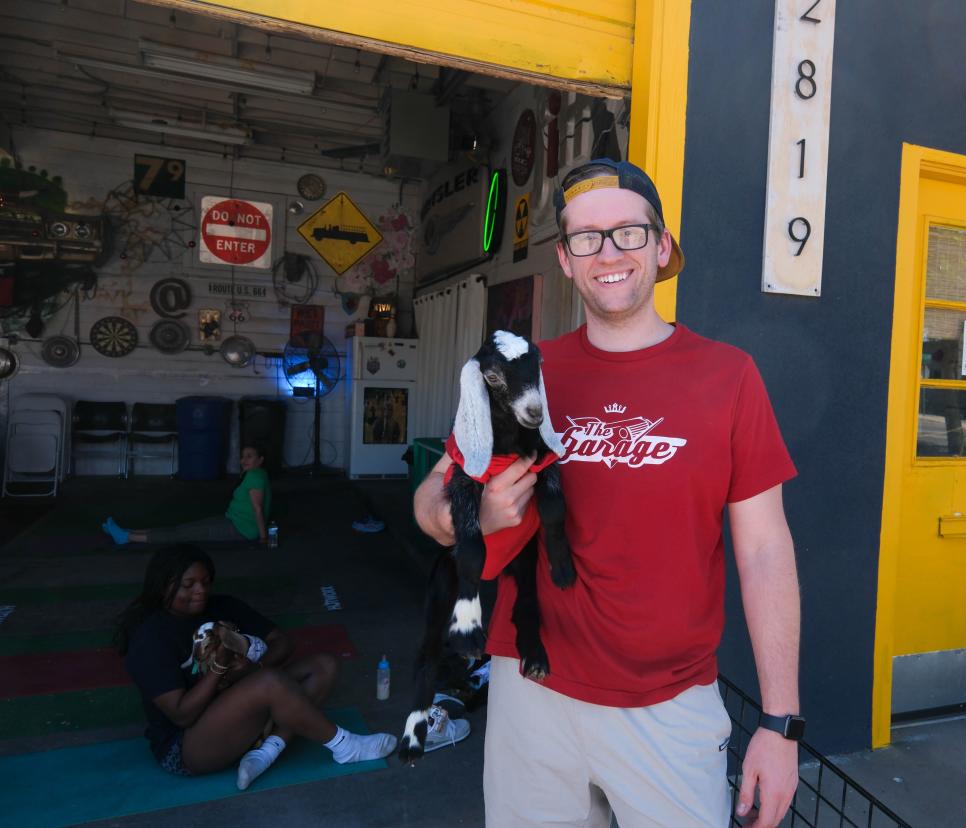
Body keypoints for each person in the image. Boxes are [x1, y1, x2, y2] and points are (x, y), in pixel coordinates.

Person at [414, 158, 802, 828]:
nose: (608, 252)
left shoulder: (729, 377)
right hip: (530, 697)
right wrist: (465, 514)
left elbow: (765, 551)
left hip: (670, 707)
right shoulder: (521, 374)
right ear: (565, 259)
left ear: (660, 245)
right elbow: (430, 499)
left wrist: (779, 722)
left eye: (627, 231)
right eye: (586, 238)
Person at [114, 545, 397, 787]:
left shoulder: (222, 606)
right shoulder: (149, 638)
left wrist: (251, 668)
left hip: (235, 708)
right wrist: (220, 669)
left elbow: (282, 642)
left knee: (323, 666)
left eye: (206, 581)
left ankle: (265, 753)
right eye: (188, 585)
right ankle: (345, 747)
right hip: (187, 746)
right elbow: (182, 715)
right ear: (163, 585)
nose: (200, 591)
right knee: (270, 683)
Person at [103, 444, 272, 546]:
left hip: (242, 529)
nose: (244, 460)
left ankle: (127, 537)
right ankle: (127, 531)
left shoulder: (255, 475)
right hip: (233, 520)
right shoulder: (256, 474)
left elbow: (257, 509)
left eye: (250, 456)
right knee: (181, 529)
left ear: (261, 459)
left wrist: (264, 539)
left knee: (182, 534)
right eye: (243, 456)